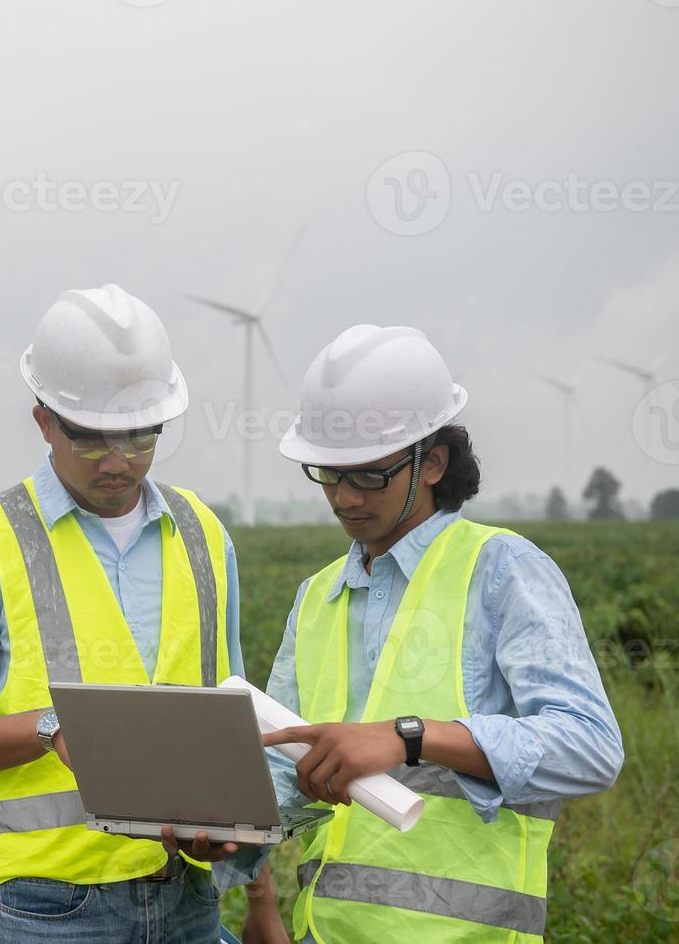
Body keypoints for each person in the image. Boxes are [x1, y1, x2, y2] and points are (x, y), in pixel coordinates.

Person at [0, 284, 269, 942]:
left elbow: (230, 718)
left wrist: (242, 864)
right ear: (44, 421)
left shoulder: (204, 536)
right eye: (92, 438)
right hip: (49, 910)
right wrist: (51, 728)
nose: (120, 460)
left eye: (141, 434)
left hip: (187, 897)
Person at [253, 324, 623, 943]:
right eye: (328, 473)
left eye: (368, 475)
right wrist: (223, 834)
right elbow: (285, 771)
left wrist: (412, 738)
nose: (344, 497)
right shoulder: (318, 596)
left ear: (435, 462)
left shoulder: (503, 571)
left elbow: (589, 747)